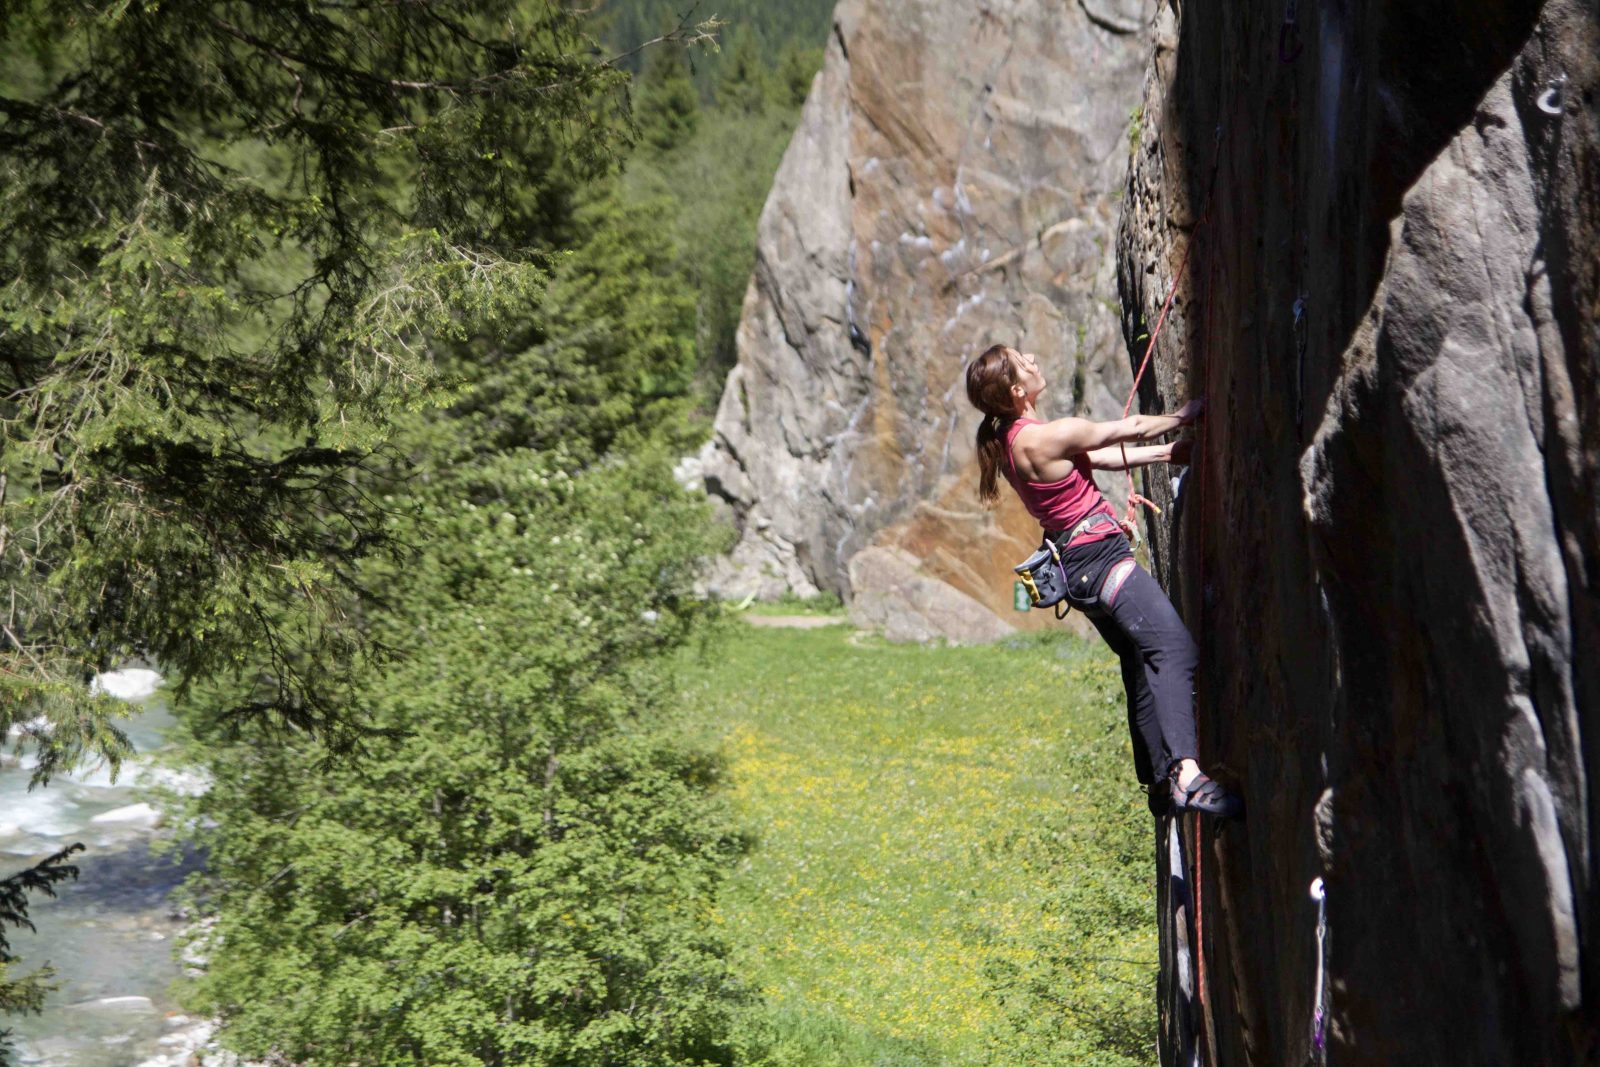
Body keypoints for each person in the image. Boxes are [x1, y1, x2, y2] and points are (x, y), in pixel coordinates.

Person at [965, 342, 1241, 818]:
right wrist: (1184, 415)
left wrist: (1168, 452)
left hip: (1078, 568)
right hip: (1101, 558)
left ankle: (1158, 783)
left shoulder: (1012, 443)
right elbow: (1125, 429)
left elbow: (1099, 459)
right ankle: (1188, 777)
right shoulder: (1047, 434)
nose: (1033, 357)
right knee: (1173, 650)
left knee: (1138, 660)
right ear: (1016, 390)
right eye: (1023, 360)